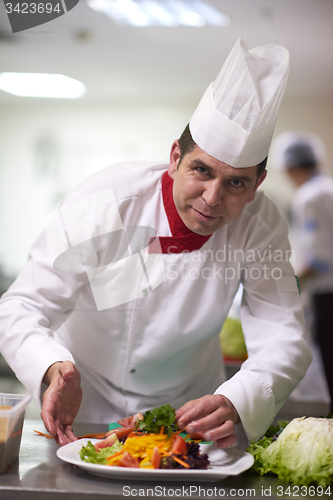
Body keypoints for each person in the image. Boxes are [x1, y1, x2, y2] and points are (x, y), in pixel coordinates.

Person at [0, 38, 312, 447]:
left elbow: (283, 332)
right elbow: (22, 305)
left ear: (258, 185)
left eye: (236, 182)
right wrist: (51, 366)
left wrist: (238, 399)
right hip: (80, 407)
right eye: (201, 170)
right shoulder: (106, 201)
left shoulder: (261, 224)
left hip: (188, 416)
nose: (213, 197)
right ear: (174, 158)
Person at [272, 131, 333, 413]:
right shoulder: (328, 187)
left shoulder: (309, 195)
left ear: (290, 168)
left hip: (327, 294)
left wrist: (286, 287)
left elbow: (319, 258)